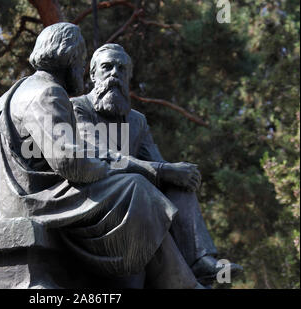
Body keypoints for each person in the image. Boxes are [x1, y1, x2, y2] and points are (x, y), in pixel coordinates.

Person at [0, 22, 202, 288]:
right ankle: (182, 284)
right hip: (36, 201)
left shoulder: (12, 93)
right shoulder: (49, 93)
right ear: (68, 58)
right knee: (135, 189)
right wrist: (110, 172)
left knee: (137, 188)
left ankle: (189, 274)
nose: (82, 71)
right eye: (82, 62)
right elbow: (70, 161)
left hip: (13, 200)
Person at [71, 43, 242, 285]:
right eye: (107, 67)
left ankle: (202, 260)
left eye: (121, 70)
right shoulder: (78, 108)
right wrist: (163, 170)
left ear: (129, 77)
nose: (114, 75)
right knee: (146, 181)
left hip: (132, 195)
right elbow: (100, 154)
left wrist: (175, 172)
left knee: (179, 183)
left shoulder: (137, 120)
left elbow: (157, 163)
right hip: (94, 196)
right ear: (92, 74)